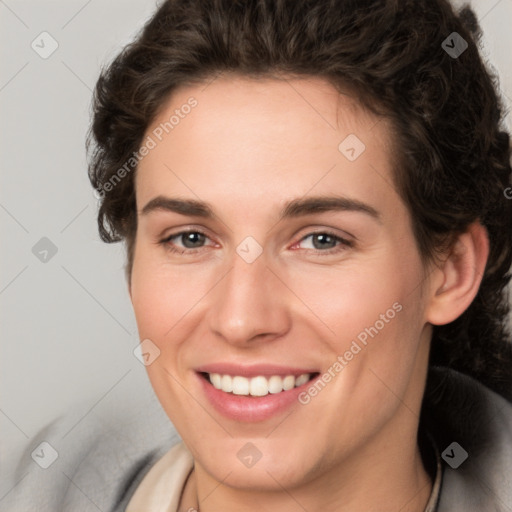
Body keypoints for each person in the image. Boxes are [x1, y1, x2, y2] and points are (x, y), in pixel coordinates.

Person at [7, 0, 512, 511]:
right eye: (190, 238)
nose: (241, 319)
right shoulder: (44, 485)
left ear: (450, 271)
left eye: (321, 240)